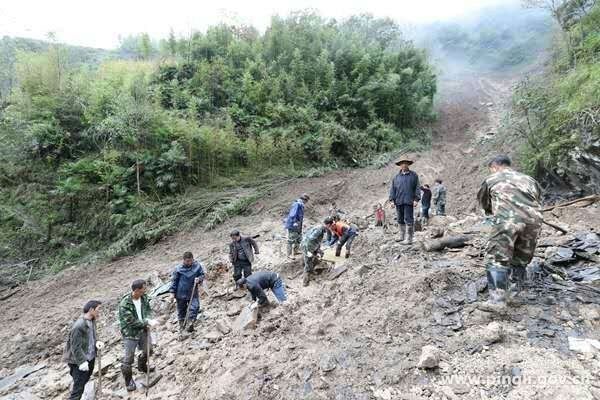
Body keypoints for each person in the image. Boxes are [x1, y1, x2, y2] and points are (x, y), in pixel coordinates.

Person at [477, 155, 543, 311]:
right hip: (533, 222)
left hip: (507, 221)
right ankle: (514, 297)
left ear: (494, 167)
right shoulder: (529, 179)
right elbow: (537, 198)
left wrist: (493, 213)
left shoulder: (492, 179)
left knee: (497, 258)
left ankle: (497, 301)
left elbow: (485, 203)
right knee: (520, 260)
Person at [119, 279, 158, 392]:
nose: (145, 291)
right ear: (136, 290)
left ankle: (142, 366)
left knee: (149, 350)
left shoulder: (144, 297)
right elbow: (131, 322)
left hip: (144, 329)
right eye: (143, 290)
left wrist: (149, 319)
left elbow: (148, 310)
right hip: (130, 333)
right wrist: (147, 322)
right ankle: (128, 380)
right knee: (128, 358)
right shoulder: (125, 304)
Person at [63, 300, 104, 400]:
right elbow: (75, 346)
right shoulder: (79, 325)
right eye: (98, 309)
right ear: (91, 310)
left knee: (82, 383)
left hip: (90, 358)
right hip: (79, 362)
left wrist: (97, 342)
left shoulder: (92, 320)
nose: (100, 311)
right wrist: (81, 362)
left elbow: (92, 336)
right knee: (78, 390)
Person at [169, 251, 205, 333]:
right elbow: (174, 281)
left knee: (195, 307)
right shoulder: (178, 269)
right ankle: (182, 326)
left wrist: (199, 279)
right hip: (180, 293)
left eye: (191, 260)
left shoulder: (197, 266)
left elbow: (202, 275)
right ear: (184, 260)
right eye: (187, 261)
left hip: (192, 291)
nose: (189, 263)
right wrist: (172, 293)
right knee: (181, 310)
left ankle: (190, 323)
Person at [388, 159, 420, 244]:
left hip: (409, 201)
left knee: (409, 219)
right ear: (400, 165)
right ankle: (401, 236)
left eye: (406, 164)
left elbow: (417, 188)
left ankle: (409, 239)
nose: (404, 165)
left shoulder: (414, 176)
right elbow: (393, 189)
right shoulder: (396, 177)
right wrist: (391, 200)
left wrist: (416, 199)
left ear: (408, 165)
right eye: (402, 164)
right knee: (400, 219)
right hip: (399, 201)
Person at [300, 219, 329, 286]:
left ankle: (312, 270)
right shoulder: (318, 230)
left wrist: (319, 250)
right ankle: (305, 281)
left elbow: (316, 241)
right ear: (328, 225)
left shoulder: (321, 229)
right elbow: (309, 240)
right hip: (307, 247)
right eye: (330, 226)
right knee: (308, 263)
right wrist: (307, 252)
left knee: (317, 256)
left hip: (312, 246)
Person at [284, 194, 310, 259]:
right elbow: (293, 214)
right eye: (306, 201)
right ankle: (289, 254)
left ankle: (296, 250)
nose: (306, 203)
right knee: (291, 239)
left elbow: (299, 215)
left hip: (298, 225)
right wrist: (295, 222)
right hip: (293, 225)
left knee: (298, 238)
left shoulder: (301, 205)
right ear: (304, 200)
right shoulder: (297, 204)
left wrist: (301, 223)